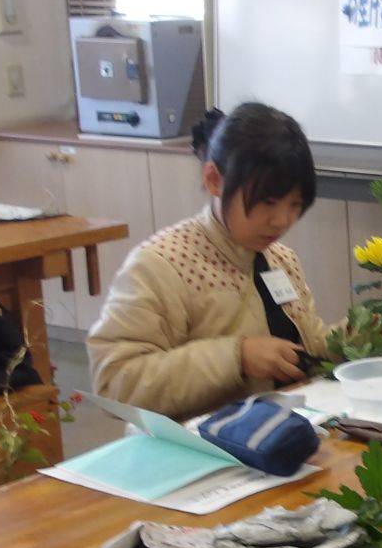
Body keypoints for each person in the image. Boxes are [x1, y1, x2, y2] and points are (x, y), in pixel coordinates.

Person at [88, 103, 330, 419]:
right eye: (268, 202)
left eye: (295, 205)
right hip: (195, 444)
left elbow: (307, 346)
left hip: (278, 432)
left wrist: (363, 334)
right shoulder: (160, 265)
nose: (282, 220)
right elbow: (114, 383)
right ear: (214, 179)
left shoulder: (281, 259)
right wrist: (236, 358)